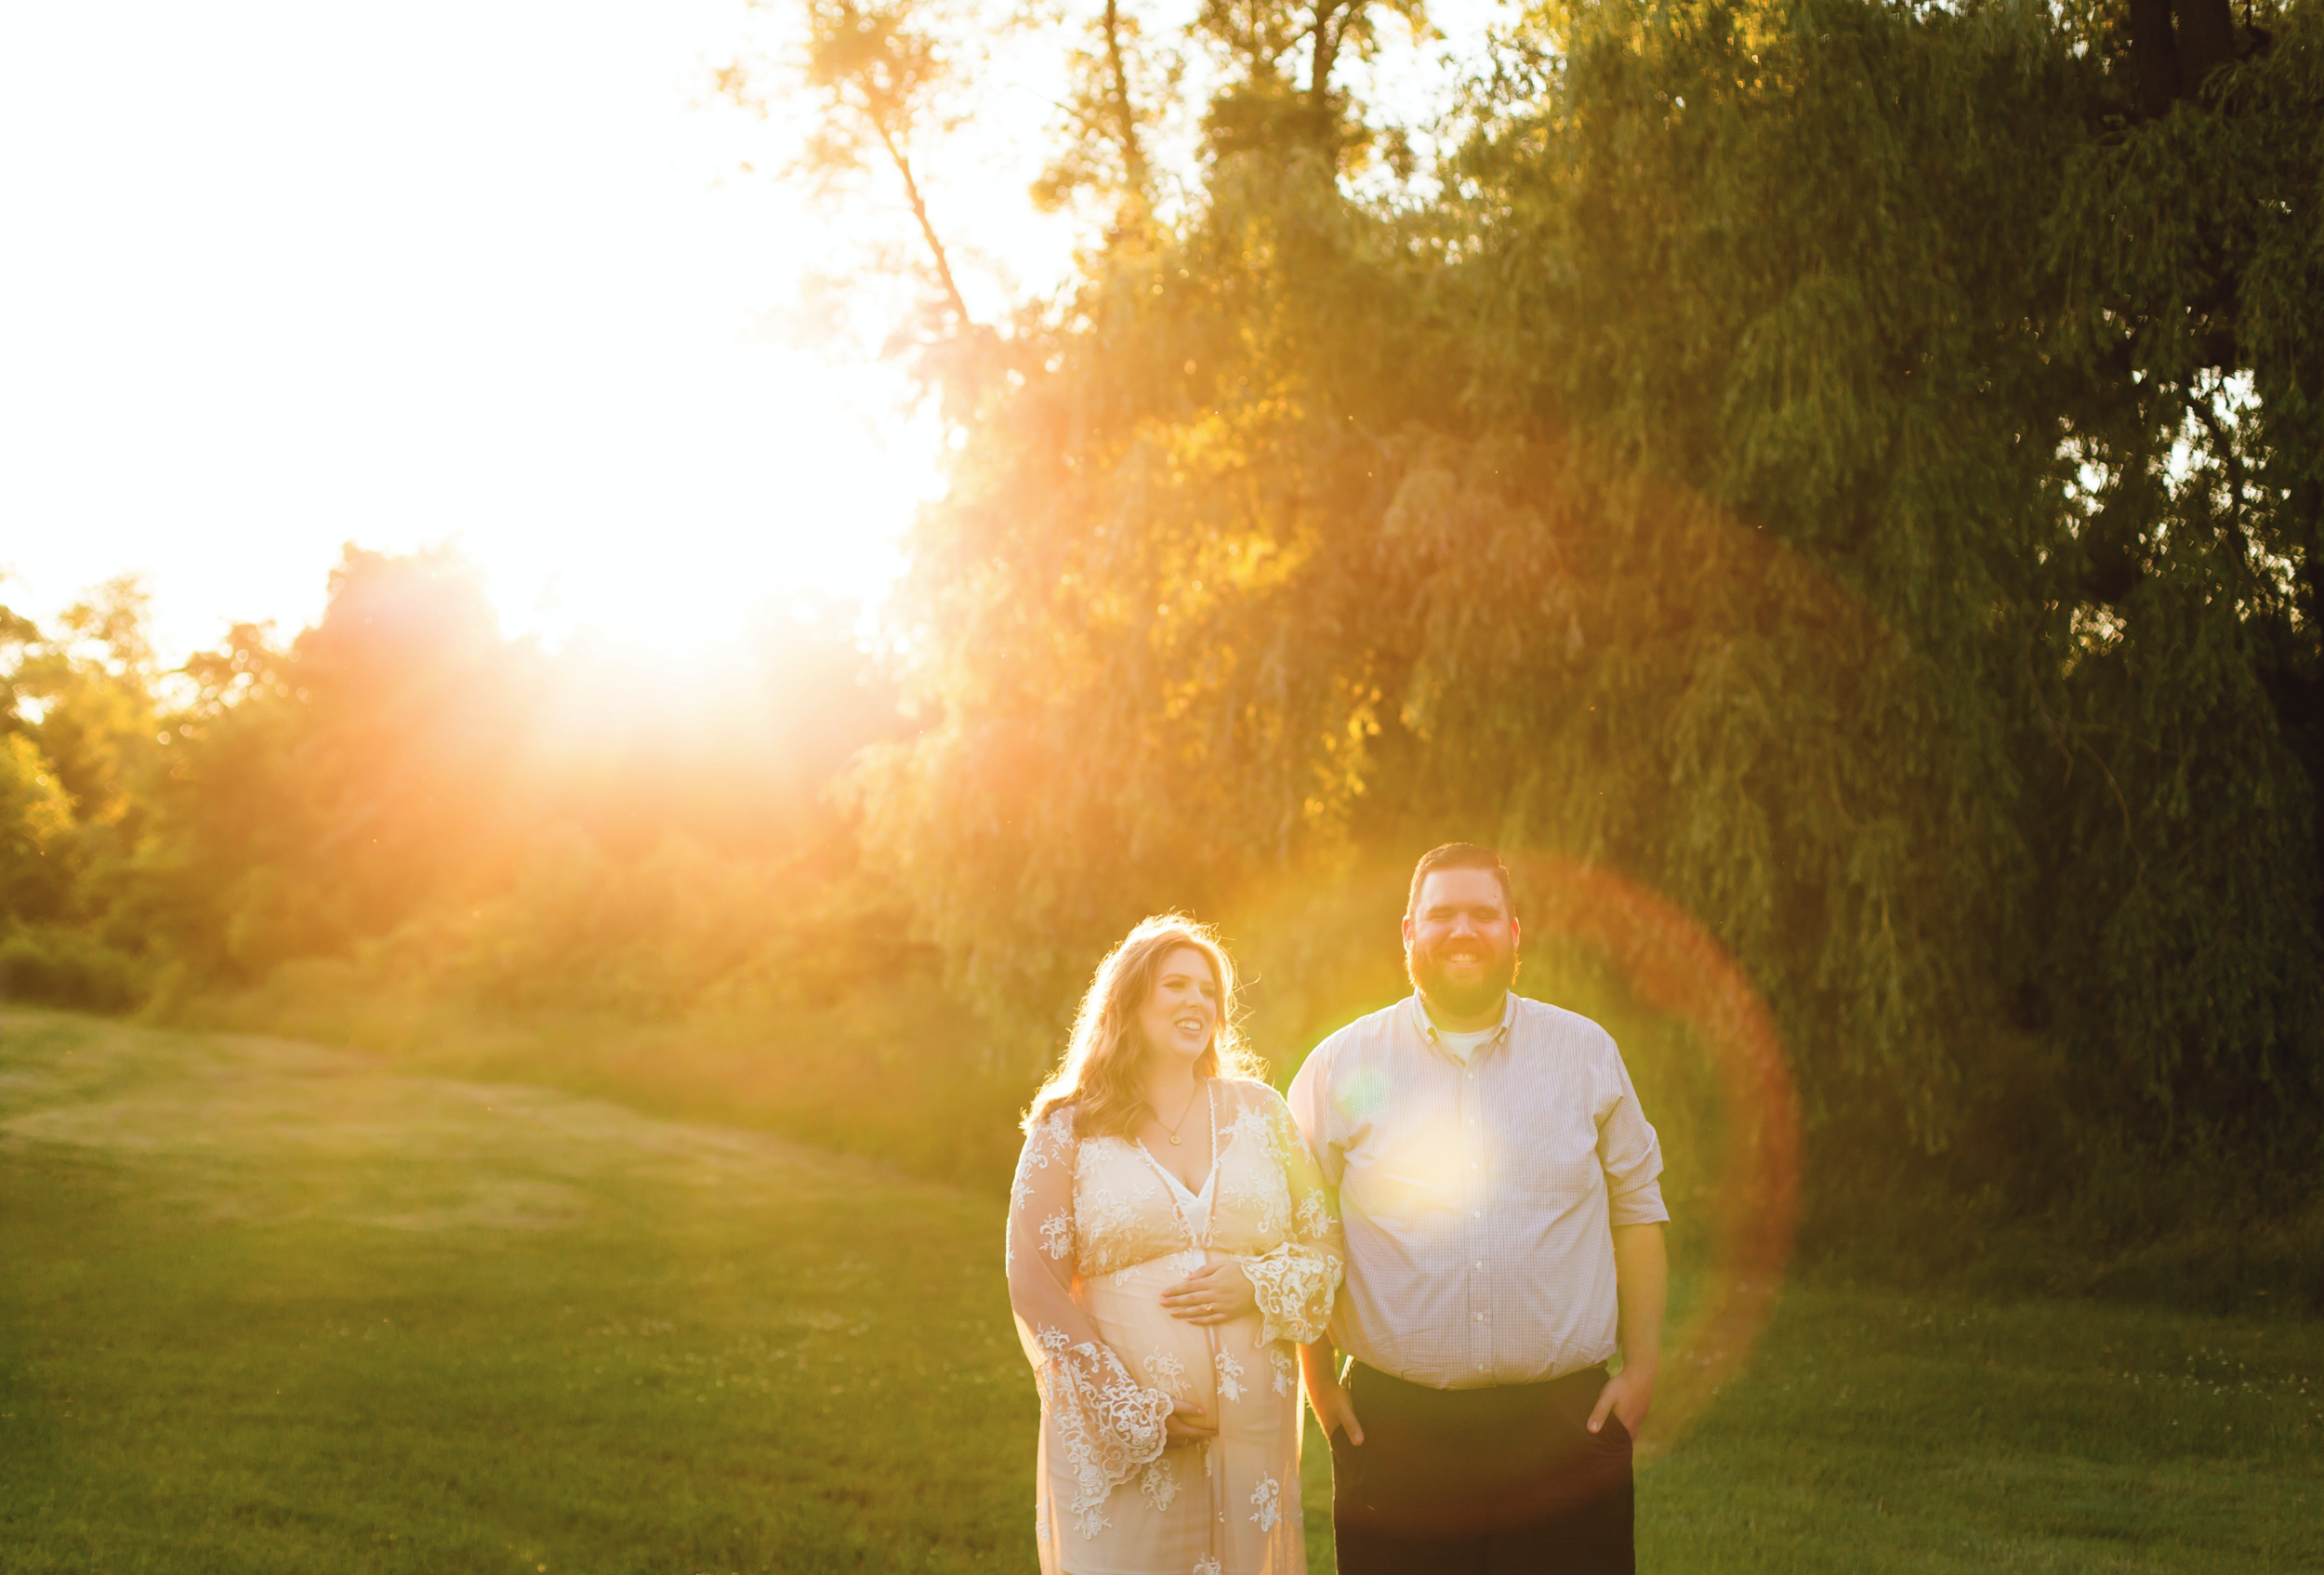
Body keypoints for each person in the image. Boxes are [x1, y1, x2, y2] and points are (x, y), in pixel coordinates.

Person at [1287, 843, 1669, 1574]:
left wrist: (1644, 1365)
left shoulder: (1585, 1054)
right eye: (1442, 915)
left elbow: (1637, 1211)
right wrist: (1318, 1379)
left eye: (1483, 914)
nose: (1463, 930)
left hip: (1565, 1427)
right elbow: (1302, 1227)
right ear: (1408, 933)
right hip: (1395, 1433)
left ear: (1514, 932)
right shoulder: (1342, 1065)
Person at [1008, 914, 1346, 1575]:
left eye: (1209, 990)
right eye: (1176, 985)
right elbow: (1035, 1284)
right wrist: (1131, 1413)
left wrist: (1256, 1283)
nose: (1197, 1001)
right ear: (1131, 999)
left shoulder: (1260, 1111)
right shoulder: (1067, 1126)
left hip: (1252, 1443)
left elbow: (1326, 1248)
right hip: (1129, 1447)